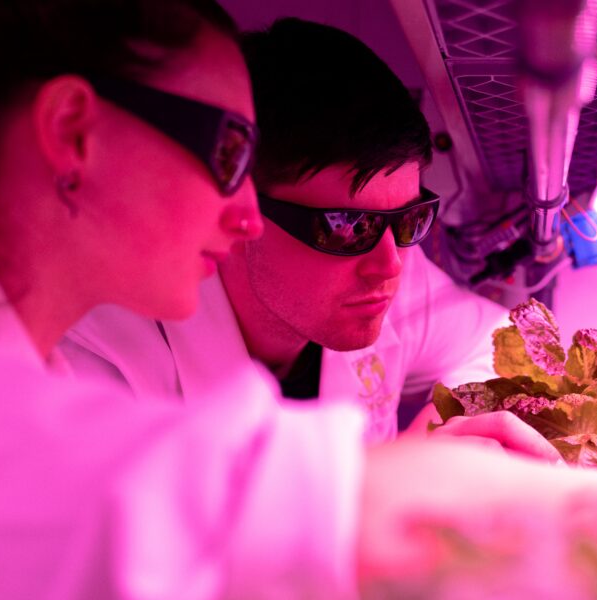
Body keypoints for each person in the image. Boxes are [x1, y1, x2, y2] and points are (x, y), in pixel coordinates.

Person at [0, 0, 597, 597]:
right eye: (226, 153)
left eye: (409, 221)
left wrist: (449, 429)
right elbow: (178, 514)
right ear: (73, 132)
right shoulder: (35, 387)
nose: (239, 215)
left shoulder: (11, 347)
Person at [59, 18, 555, 457]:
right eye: (346, 226)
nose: (390, 265)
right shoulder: (100, 356)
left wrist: (435, 441)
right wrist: (383, 487)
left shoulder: (388, 261)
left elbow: (507, 344)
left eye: (408, 219)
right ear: (237, 211)